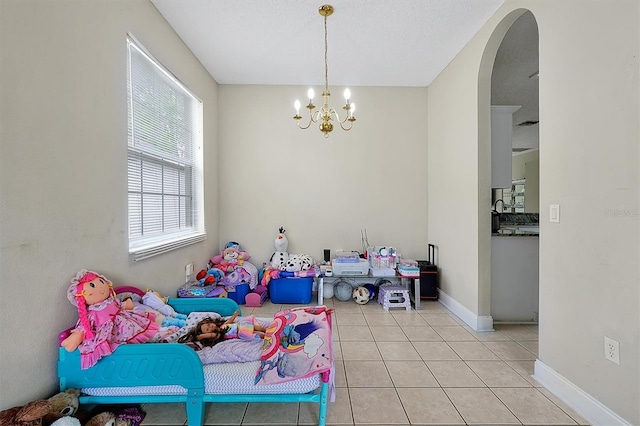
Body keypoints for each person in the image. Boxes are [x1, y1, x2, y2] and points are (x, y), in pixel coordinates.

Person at [60, 270, 159, 369]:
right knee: (126, 342)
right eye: (93, 286)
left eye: (101, 282)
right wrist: (77, 335)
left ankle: (158, 337)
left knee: (140, 328)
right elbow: (85, 325)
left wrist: (126, 305)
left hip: (125, 322)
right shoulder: (93, 312)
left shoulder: (110, 300)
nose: (101, 288)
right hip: (111, 331)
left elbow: (119, 306)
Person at [178, 310, 266, 349]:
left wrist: (234, 315)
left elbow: (230, 321)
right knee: (255, 333)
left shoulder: (222, 326)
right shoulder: (218, 334)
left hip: (241, 326)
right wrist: (201, 336)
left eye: (209, 325)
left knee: (256, 327)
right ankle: (266, 336)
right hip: (240, 332)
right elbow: (211, 335)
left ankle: (267, 330)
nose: (210, 327)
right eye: (208, 329)